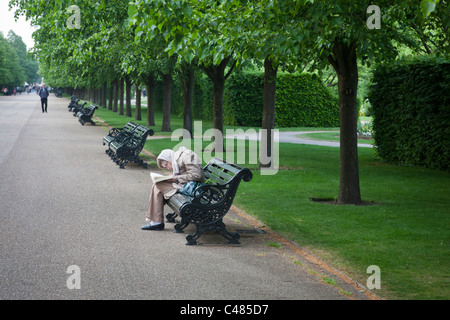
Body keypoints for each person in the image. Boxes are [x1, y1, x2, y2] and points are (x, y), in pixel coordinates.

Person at [141, 147, 204, 231]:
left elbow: (197, 175)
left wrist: (177, 178)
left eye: (166, 165)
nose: (168, 168)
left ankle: (156, 222)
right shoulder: (176, 160)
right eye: (166, 168)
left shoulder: (186, 155)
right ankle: (156, 222)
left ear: (168, 158)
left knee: (158, 185)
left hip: (194, 189)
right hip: (185, 186)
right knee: (157, 185)